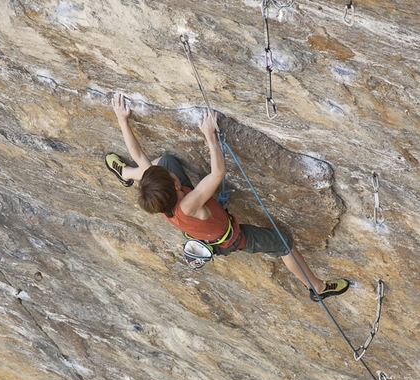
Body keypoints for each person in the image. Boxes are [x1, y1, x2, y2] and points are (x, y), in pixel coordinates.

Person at [106, 93, 349, 301]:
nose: (169, 173)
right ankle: (316, 288)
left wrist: (122, 119)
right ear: (176, 184)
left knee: (163, 161)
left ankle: (127, 174)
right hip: (229, 238)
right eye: (169, 176)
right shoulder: (189, 203)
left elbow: (138, 154)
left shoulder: (159, 201)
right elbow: (218, 172)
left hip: (194, 224)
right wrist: (210, 136)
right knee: (284, 243)